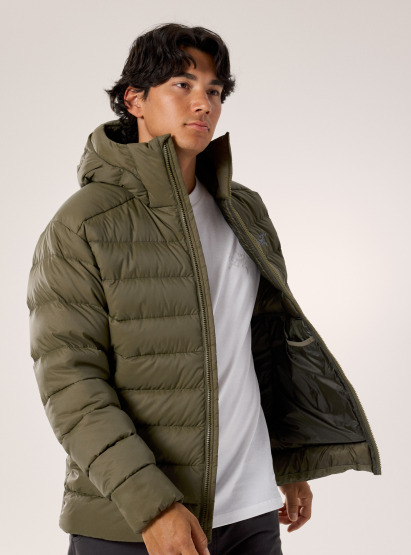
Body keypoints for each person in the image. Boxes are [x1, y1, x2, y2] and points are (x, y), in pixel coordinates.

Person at [27, 23, 381, 555]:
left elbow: (263, 346)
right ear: (135, 99)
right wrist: (153, 507)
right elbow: (71, 384)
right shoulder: (84, 224)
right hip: (135, 523)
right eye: (182, 85)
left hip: (252, 509)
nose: (203, 104)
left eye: (214, 91)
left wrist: (287, 462)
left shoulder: (244, 209)